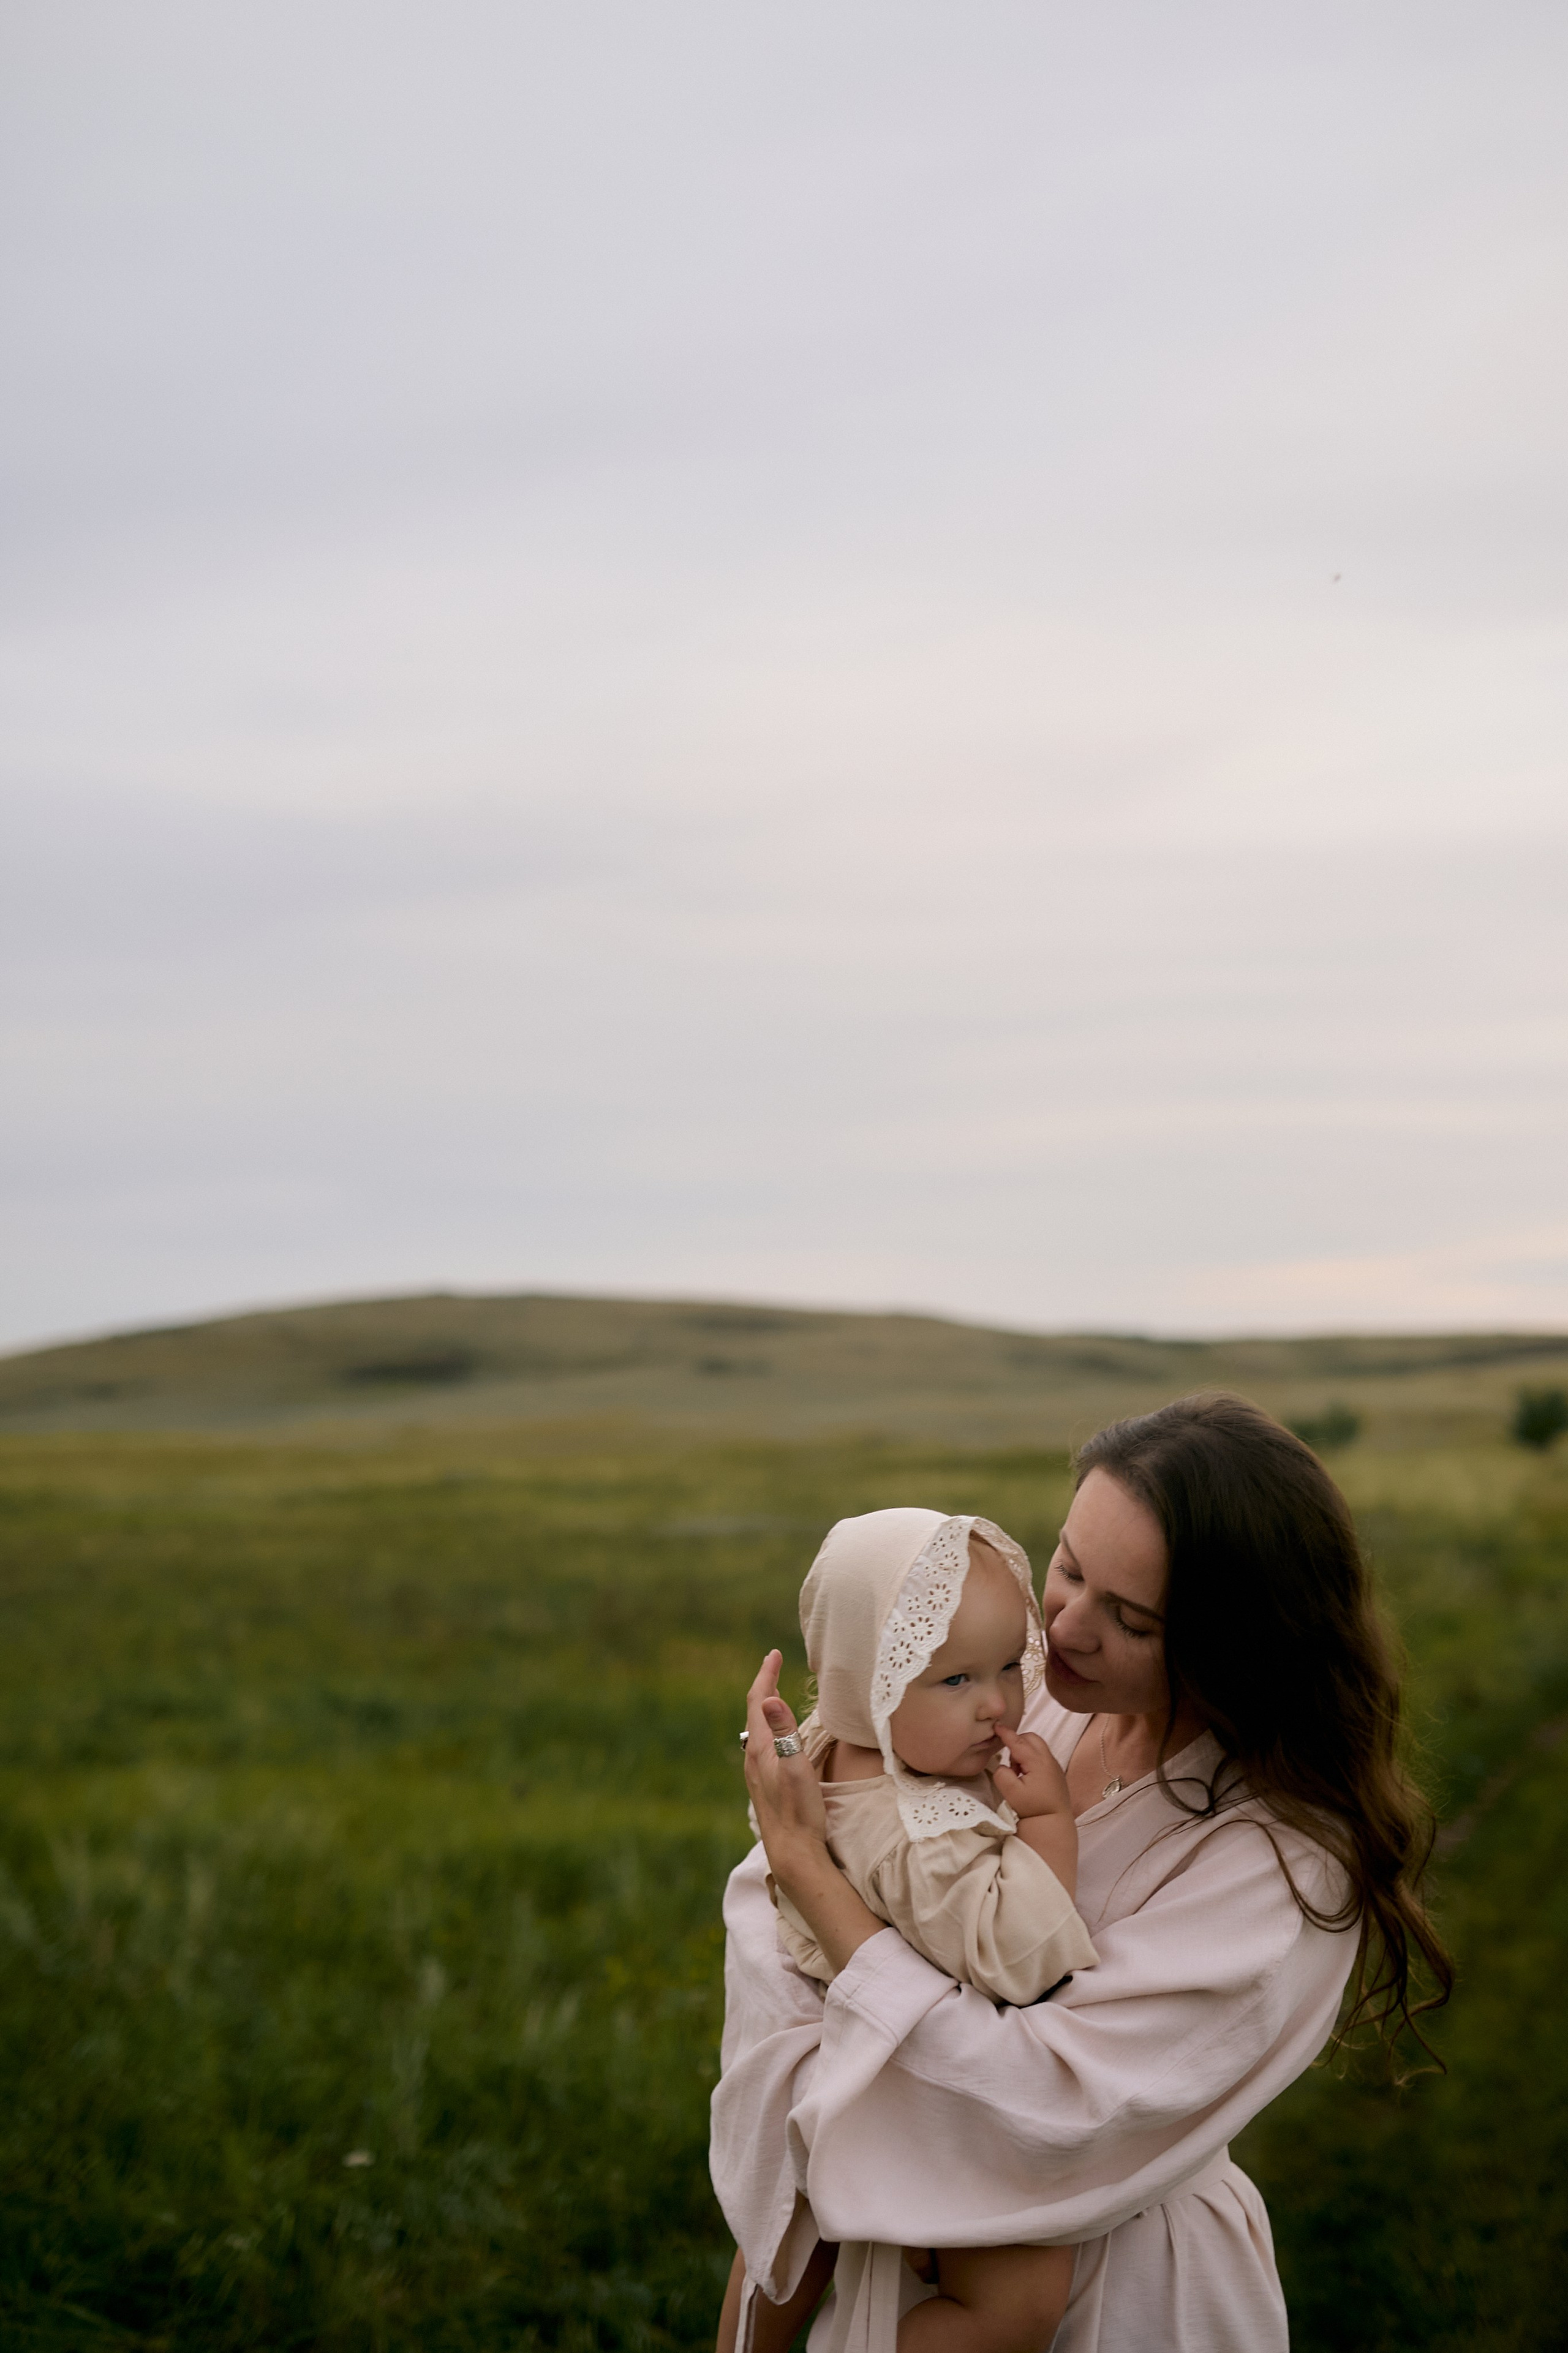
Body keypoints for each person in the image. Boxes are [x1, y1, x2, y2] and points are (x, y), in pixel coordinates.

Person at [712, 1394, 1453, 2353]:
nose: (1063, 1627)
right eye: (1066, 1567)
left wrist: (815, 1882)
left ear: (1236, 1648)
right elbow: (768, 1904)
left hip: (1115, 2292)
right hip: (884, 2249)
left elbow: (1046, 2111)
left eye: (1131, 1618)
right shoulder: (1028, 1708)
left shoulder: (1284, 1867)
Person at [722, 1507, 1098, 2353]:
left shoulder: (830, 1745)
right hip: (922, 2084)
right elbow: (1020, 1956)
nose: (1000, 1701)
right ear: (874, 1683)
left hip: (834, 2058)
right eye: (955, 1680)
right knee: (1018, 2305)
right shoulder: (922, 1836)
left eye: (1008, 1663)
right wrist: (1048, 1821)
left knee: (781, 2250)